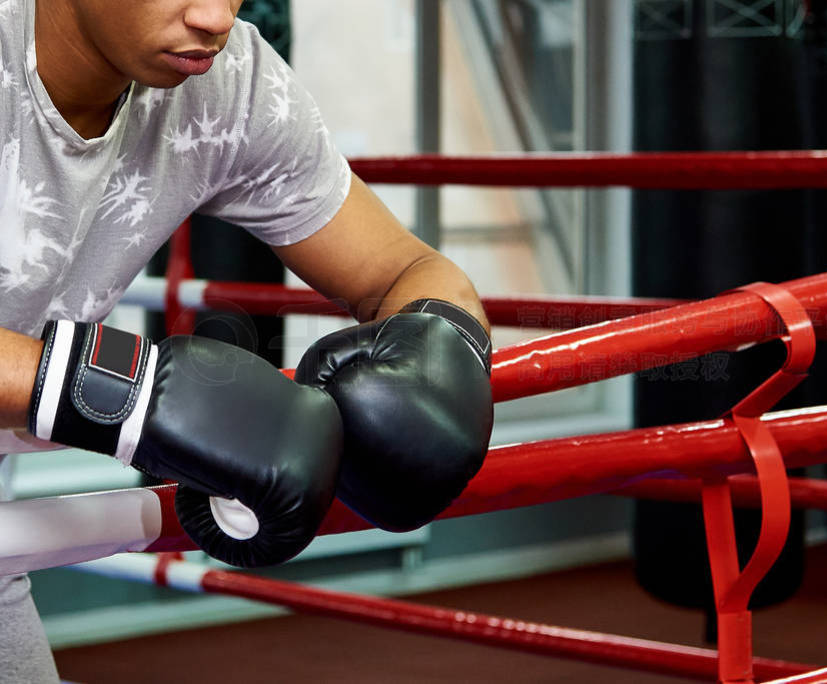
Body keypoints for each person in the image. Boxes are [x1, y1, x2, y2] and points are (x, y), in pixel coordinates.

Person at [0, 1, 494, 681]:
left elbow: (406, 271)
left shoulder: (227, 83)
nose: (214, 16)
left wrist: (442, 355)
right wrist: (125, 390)